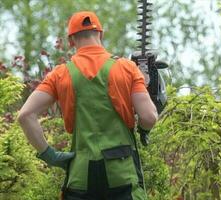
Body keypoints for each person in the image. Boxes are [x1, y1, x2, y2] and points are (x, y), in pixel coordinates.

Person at [18, 11, 157, 200]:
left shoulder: (60, 74)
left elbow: (25, 115)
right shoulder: (126, 67)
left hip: (80, 175)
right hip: (122, 172)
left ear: (71, 41)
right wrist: (144, 130)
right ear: (101, 34)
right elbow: (149, 117)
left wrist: (49, 155)